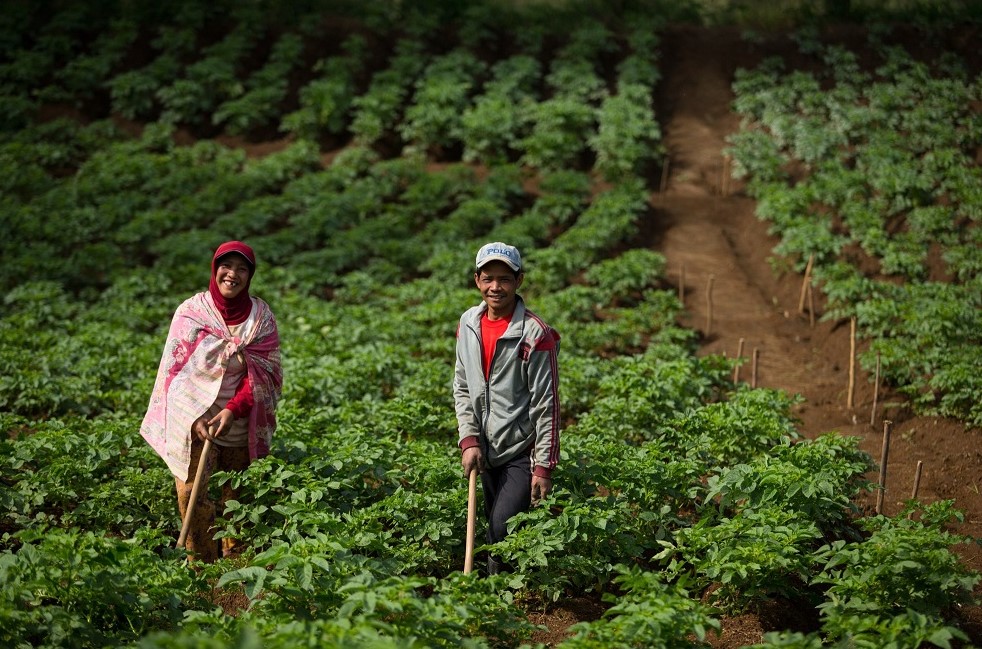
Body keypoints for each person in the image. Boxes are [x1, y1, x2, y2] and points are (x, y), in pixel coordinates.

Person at [141, 241, 282, 562]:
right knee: (192, 493)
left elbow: (265, 375)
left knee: (238, 496)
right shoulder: (191, 314)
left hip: (239, 421)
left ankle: (236, 567)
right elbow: (174, 375)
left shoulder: (260, 319)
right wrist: (196, 417)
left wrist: (232, 410)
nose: (232, 274)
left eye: (242, 269)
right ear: (215, 269)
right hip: (196, 422)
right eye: (226, 266)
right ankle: (201, 566)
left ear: (250, 275)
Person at [453, 241, 561, 575]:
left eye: (504, 278)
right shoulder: (469, 324)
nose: (495, 286)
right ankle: (505, 590)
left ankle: (494, 597)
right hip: (486, 447)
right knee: (495, 524)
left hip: (520, 449)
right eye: (488, 278)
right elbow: (462, 386)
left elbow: (547, 404)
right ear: (477, 280)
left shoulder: (534, 334)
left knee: (500, 527)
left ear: (519, 281)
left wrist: (543, 466)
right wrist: (469, 440)